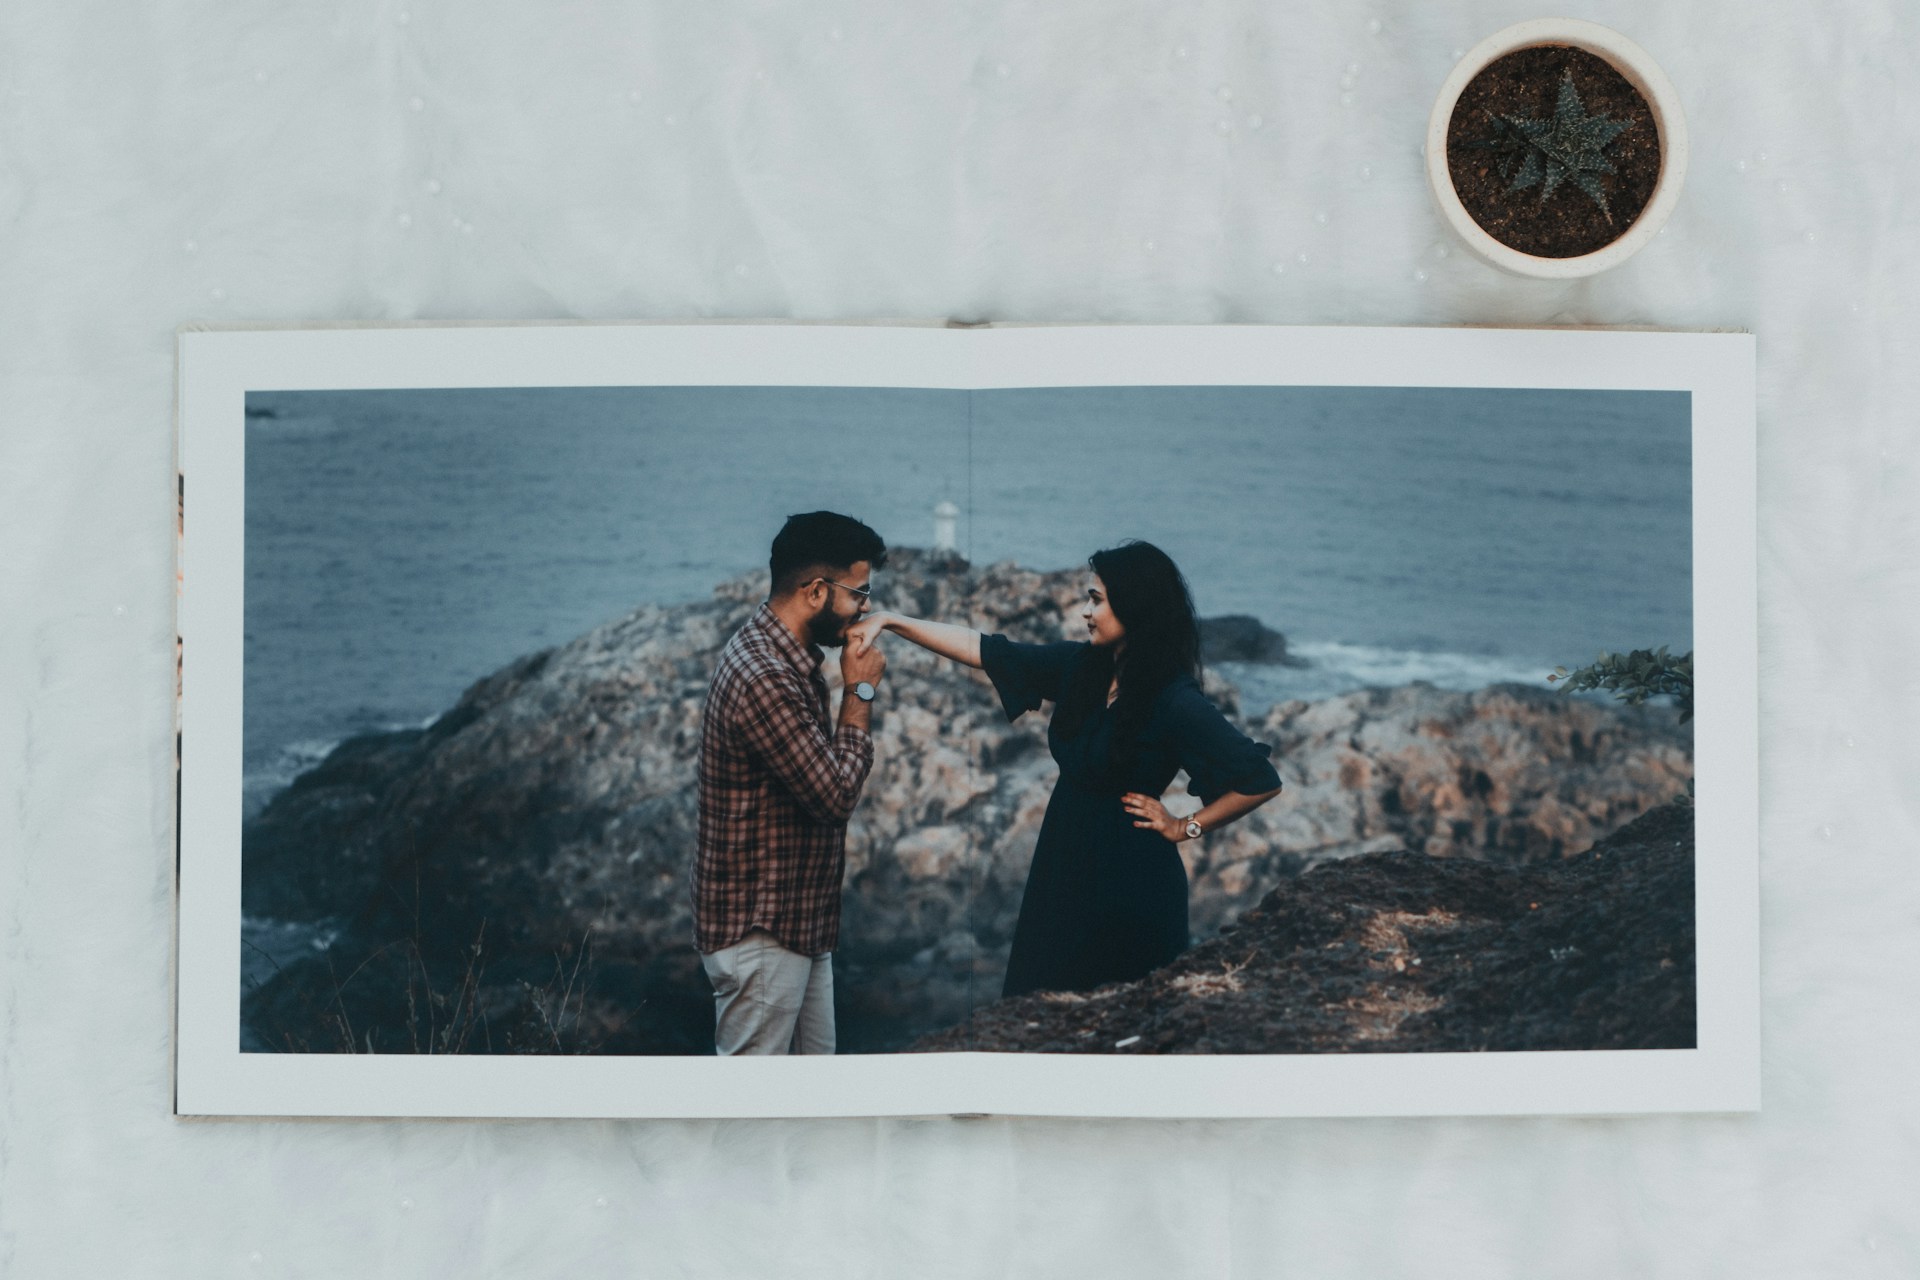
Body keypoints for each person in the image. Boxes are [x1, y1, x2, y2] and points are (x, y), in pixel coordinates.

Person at [847, 540, 1283, 997]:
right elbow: (986, 650)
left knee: (1115, 1021)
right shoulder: (1082, 668)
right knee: (1040, 1005)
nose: (1086, 612)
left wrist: (1185, 827)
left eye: (1096, 600)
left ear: (1134, 607)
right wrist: (893, 621)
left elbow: (1259, 780)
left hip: (1133, 885)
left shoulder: (1175, 700)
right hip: (1062, 870)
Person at [692, 511, 889, 1054]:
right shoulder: (765, 677)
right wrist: (860, 692)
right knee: (753, 1116)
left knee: (810, 1107)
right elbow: (834, 796)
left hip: (797, 925)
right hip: (762, 933)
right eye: (859, 593)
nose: (865, 606)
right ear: (817, 591)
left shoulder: (785, 656)